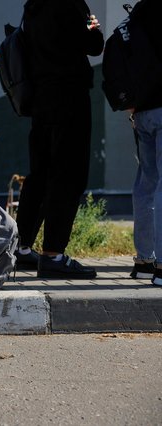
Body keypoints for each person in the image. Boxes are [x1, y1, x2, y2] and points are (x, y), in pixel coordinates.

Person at [13, 0, 104, 278]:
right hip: (70, 97)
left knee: (39, 176)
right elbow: (94, 44)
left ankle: (21, 248)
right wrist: (94, 24)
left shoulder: (32, 7)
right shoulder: (71, 4)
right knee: (68, 175)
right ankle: (54, 255)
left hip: (41, 99)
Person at [128, 0, 162, 284]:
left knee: (146, 183)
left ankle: (144, 261)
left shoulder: (139, 11)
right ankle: (161, 266)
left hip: (142, 111)